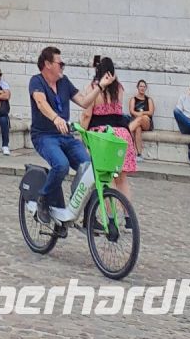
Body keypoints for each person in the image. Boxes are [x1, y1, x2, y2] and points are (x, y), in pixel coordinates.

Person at [29, 46, 114, 225]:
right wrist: (55, 118)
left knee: (90, 168)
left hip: (65, 135)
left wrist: (100, 86)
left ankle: (88, 216)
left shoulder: (64, 82)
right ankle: (43, 199)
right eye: (61, 63)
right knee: (61, 165)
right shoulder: (36, 82)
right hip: (44, 136)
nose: (63, 67)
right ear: (48, 64)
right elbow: (40, 102)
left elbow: (83, 101)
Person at [84, 55, 137, 203]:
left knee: (105, 179)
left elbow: (87, 115)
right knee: (122, 178)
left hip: (102, 134)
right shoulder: (119, 88)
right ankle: (128, 216)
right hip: (121, 133)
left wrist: (82, 134)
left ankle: (110, 217)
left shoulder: (93, 88)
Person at [128, 79, 156, 156]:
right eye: (141, 86)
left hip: (146, 123)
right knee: (138, 128)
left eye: (144, 86)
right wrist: (139, 115)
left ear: (146, 88)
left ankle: (127, 131)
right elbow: (131, 111)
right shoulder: (133, 99)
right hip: (136, 122)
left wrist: (142, 114)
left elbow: (150, 112)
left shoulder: (149, 99)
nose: (142, 88)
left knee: (142, 118)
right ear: (137, 87)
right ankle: (138, 153)